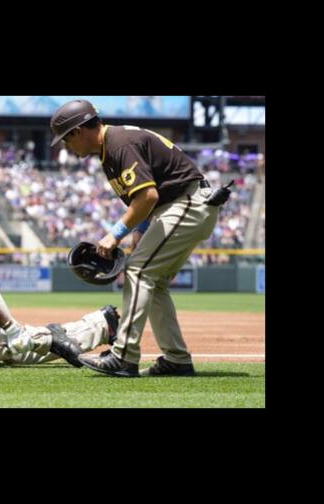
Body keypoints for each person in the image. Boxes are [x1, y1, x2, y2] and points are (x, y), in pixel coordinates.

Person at [50, 99, 218, 377]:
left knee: (138, 272)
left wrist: (115, 234)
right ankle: (176, 360)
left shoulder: (118, 144)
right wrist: (139, 231)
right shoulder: (110, 149)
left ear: (78, 131)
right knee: (155, 281)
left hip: (186, 202)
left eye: (65, 140)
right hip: (180, 205)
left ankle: (123, 357)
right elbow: (147, 196)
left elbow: (148, 195)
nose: (66, 147)